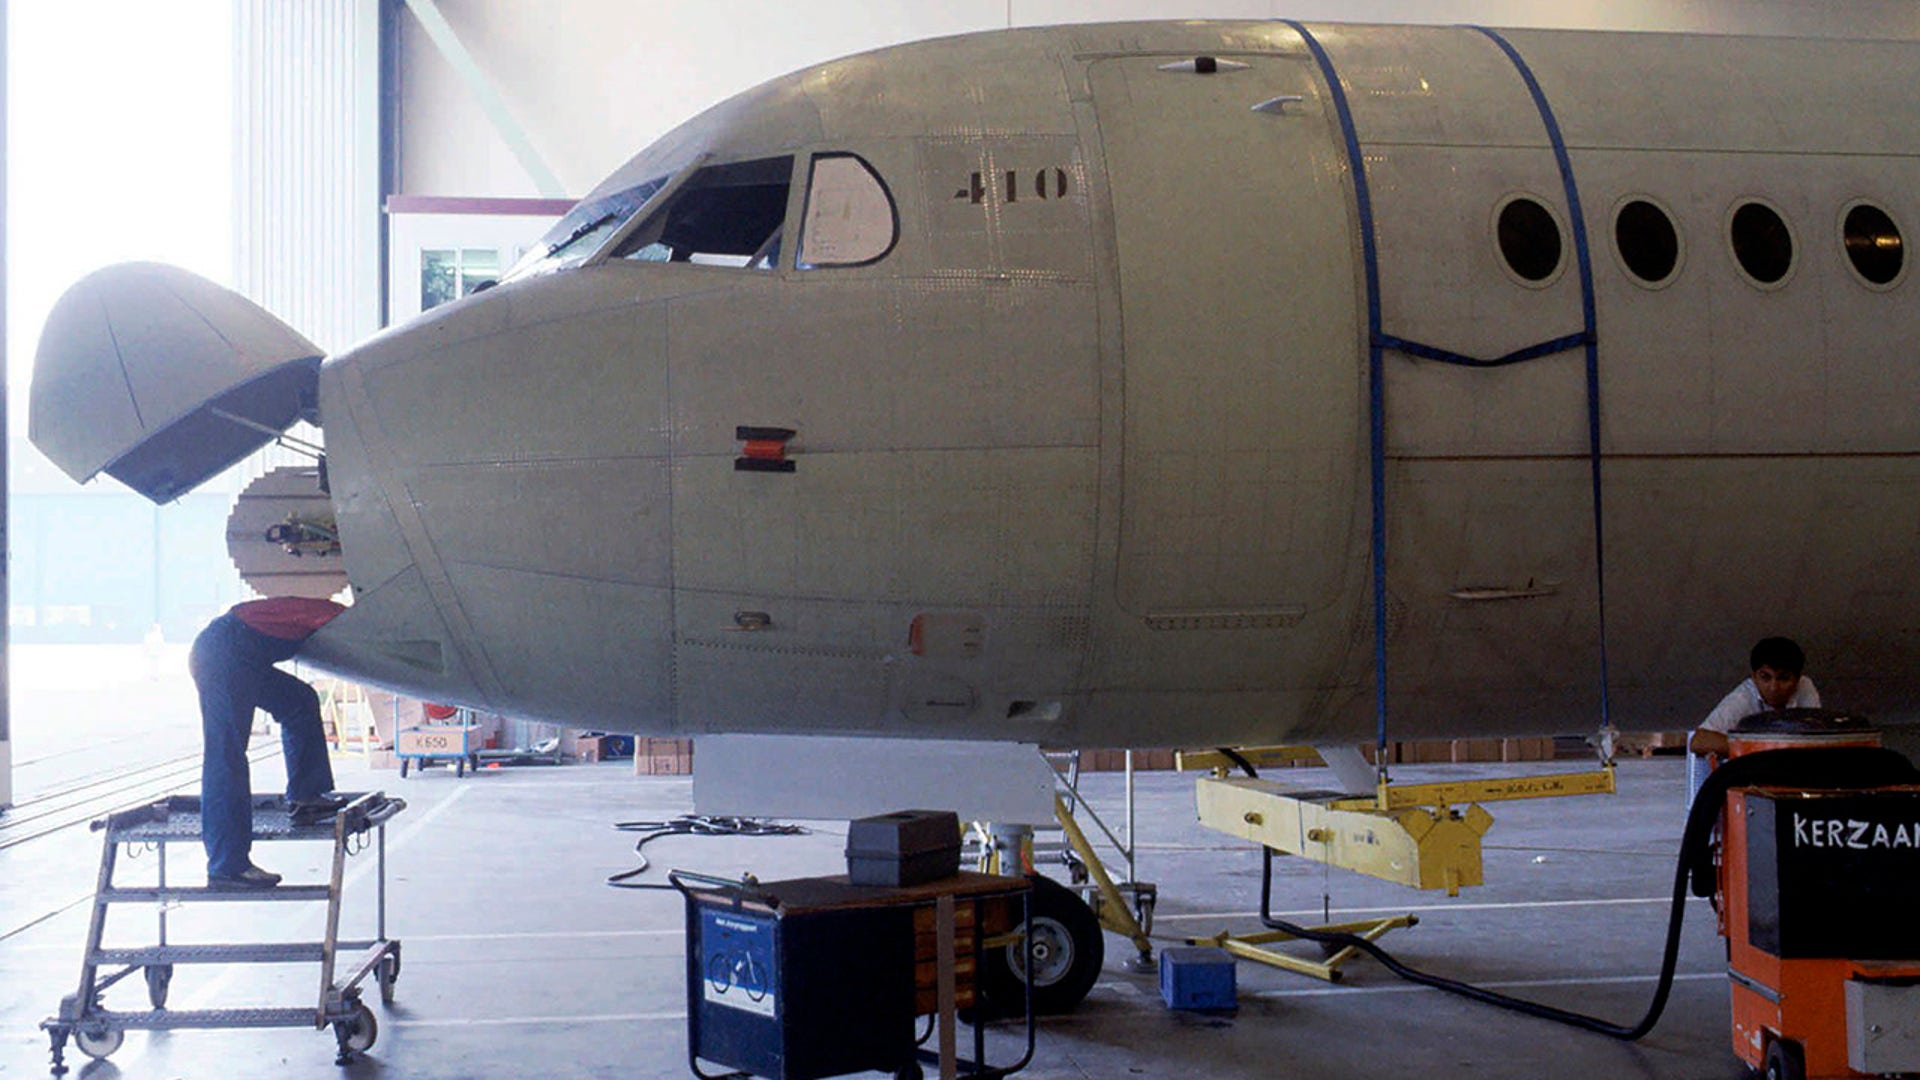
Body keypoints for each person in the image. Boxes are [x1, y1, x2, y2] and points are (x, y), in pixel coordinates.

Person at [191, 596, 348, 888]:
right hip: (223, 652)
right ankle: (227, 866)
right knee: (227, 755)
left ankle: (307, 797)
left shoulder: (331, 615)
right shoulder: (335, 618)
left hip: (243, 655)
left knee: (300, 701)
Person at [1686, 637, 1819, 808]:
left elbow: (1815, 739)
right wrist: (1758, 749)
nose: (1773, 687)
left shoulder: (1805, 688)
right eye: (1765, 677)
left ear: (1798, 679)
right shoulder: (1743, 698)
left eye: (1783, 679)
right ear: (1754, 677)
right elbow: (1699, 741)